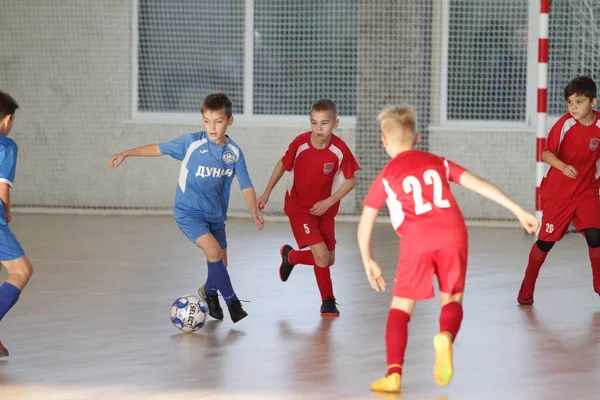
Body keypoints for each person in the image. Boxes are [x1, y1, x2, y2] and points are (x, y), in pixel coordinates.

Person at [357, 105, 538, 393]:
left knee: (401, 309)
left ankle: (393, 374)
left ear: (383, 141)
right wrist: (517, 210)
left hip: (417, 239)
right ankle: (445, 336)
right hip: (454, 233)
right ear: (417, 139)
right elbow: (479, 184)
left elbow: (365, 222)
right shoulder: (437, 162)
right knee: (452, 298)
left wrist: (368, 259)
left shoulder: (386, 176)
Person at [108, 93, 263, 323]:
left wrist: (253, 210)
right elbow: (157, 149)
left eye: (218, 121)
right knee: (213, 253)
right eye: (207, 121)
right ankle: (233, 302)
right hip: (188, 212)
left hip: (216, 215)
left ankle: (209, 293)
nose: (212, 127)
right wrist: (126, 153)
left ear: (230, 121)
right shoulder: (191, 143)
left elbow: (246, 185)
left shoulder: (233, 153)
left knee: (222, 263)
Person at [257, 99, 360, 316]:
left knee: (328, 260)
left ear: (335, 123)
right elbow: (282, 165)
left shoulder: (340, 149)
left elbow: (351, 181)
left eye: (324, 123)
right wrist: (267, 192)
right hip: (299, 208)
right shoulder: (300, 143)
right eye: (314, 123)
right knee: (321, 256)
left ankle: (290, 256)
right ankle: (328, 301)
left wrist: (329, 202)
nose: (318, 128)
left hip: (325, 211)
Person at [518, 76, 600, 305]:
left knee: (596, 237)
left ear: (593, 102)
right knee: (546, 242)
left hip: (587, 191)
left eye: (580, 102)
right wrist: (563, 167)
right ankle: (526, 289)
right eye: (570, 102)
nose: (574, 107)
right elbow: (545, 154)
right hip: (559, 194)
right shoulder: (564, 124)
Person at [0, 91, 34, 357]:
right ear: (7, 119)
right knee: (20, 270)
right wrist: (7, 212)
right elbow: (2, 189)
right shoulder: (6, 146)